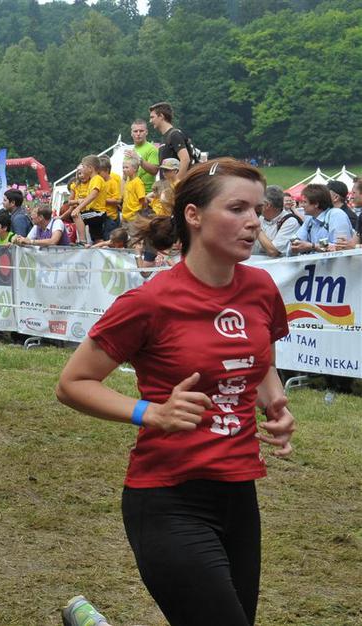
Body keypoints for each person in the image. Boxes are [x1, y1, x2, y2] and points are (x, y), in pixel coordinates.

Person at [56, 159, 295, 626]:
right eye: (237, 208)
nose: (253, 221)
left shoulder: (260, 287)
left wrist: (275, 403)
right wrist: (152, 413)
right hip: (168, 497)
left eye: (256, 209)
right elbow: (72, 383)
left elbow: (261, 360)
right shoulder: (150, 301)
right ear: (194, 215)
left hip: (239, 494)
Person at [289, 183, 353, 254]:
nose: (301, 205)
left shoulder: (336, 215)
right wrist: (295, 244)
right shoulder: (310, 219)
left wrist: (312, 246)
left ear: (316, 204)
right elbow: (295, 240)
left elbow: (340, 248)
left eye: (305, 202)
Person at [253, 185, 301, 257]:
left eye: (258, 202)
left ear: (267, 205)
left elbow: (273, 251)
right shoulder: (260, 217)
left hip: (277, 264)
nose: (255, 204)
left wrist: (257, 228)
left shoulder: (290, 221)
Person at [148, 101, 192, 180]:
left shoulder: (174, 135)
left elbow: (185, 160)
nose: (150, 121)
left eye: (152, 117)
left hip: (175, 186)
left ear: (161, 116)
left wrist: (176, 184)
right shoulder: (165, 137)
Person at [125, 119, 159, 193]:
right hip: (130, 194)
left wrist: (139, 159)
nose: (138, 134)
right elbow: (125, 177)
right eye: (135, 131)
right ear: (131, 133)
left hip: (146, 193)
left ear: (146, 132)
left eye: (141, 131)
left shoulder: (152, 149)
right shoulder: (130, 151)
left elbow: (154, 170)